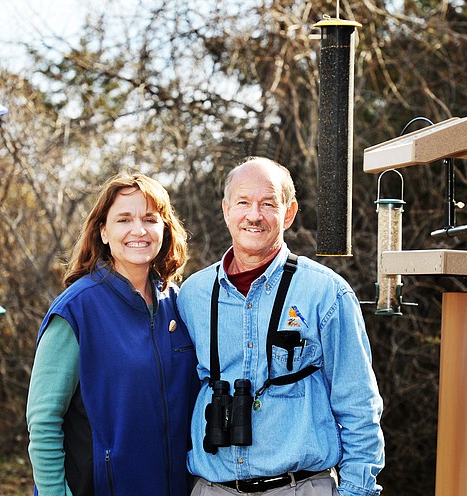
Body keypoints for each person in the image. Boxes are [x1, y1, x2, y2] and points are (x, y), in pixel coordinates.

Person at [177, 157, 384, 496]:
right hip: (212, 487)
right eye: (243, 202)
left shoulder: (326, 293)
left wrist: (357, 490)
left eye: (268, 203)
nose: (254, 215)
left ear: (289, 212)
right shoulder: (193, 295)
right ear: (226, 210)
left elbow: (358, 403)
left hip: (300, 486)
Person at [27, 172, 200, 496]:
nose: (139, 230)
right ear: (103, 231)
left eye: (150, 218)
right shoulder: (77, 310)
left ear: (164, 228)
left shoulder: (179, 305)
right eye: (124, 219)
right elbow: (43, 420)